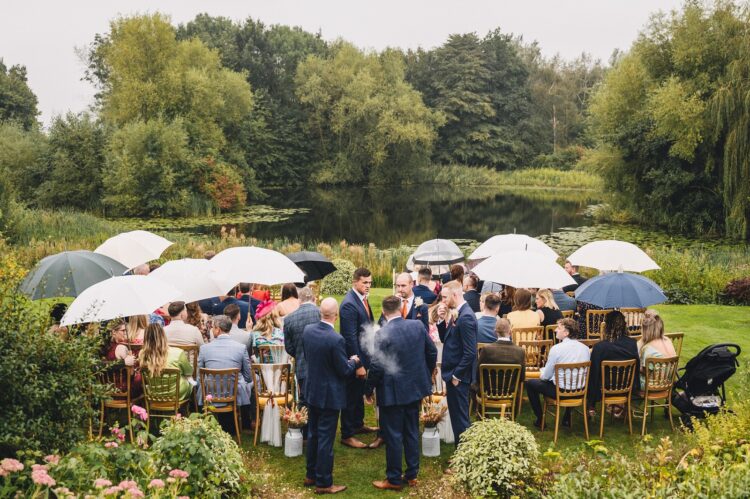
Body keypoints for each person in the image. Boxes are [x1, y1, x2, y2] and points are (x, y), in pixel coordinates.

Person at [365, 296, 437, 491]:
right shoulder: (417, 326)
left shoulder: (382, 334)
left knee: (394, 435)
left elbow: (377, 366)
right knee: (412, 431)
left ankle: (394, 479)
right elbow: (432, 352)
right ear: (400, 309)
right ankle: (412, 475)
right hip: (414, 388)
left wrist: (368, 389)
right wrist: (426, 372)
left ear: (384, 312)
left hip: (393, 392)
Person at [302, 298, 362, 494]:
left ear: (321, 312)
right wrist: (353, 361)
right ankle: (324, 483)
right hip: (329, 395)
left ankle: (310, 474)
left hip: (312, 391)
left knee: (313, 434)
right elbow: (344, 370)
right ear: (335, 316)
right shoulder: (336, 339)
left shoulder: (308, 331)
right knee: (326, 439)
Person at [526, 318, 590, 428]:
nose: (555, 330)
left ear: (566, 333)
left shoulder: (556, 349)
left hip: (560, 391)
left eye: (559, 328)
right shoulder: (585, 349)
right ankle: (566, 417)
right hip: (580, 390)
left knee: (530, 384)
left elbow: (545, 377)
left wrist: (542, 372)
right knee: (570, 379)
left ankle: (540, 419)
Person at [437, 280, 477, 445]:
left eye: (445, 297)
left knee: (460, 420)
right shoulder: (458, 312)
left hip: (459, 377)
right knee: (457, 417)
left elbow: (470, 352)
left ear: (455, 295)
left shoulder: (466, 317)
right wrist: (441, 320)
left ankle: (463, 461)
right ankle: (461, 457)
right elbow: (446, 339)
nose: (443, 301)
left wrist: (456, 376)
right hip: (454, 374)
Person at [339, 268, 375, 449]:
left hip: (365, 355)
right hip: (354, 359)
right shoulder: (349, 304)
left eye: (370, 282)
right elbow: (349, 337)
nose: (368, 286)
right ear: (355, 282)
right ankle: (347, 433)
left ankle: (358, 424)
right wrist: (358, 364)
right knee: (350, 395)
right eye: (364, 283)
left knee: (359, 391)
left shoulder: (362, 299)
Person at [198, 314, 253, 431]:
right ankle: (246, 421)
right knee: (248, 383)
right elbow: (248, 377)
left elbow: (200, 377)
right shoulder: (241, 348)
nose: (212, 330)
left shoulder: (204, 348)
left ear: (218, 329)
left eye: (212, 327)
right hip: (232, 395)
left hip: (210, 394)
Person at [283, 287, 320, 435]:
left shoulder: (289, 319)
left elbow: (289, 347)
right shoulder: (321, 313)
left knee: (304, 398)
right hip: (321, 364)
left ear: (299, 300)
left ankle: (303, 431)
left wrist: (299, 354)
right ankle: (318, 429)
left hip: (302, 364)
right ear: (314, 299)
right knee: (319, 398)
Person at [588, 311, 639, 417]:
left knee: (591, 372)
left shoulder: (600, 347)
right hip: (627, 385)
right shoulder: (632, 343)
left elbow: (594, 373)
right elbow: (637, 366)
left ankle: (591, 406)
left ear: (607, 326)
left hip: (607, 386)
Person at [139, 323, 193, 401]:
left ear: (146, 338)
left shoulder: (142, 354)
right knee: (190, 380)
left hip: (154, 394)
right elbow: (189, 372)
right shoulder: (178, 353)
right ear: (163, 336)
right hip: (176, 394)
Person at [473, 318, 525, 391]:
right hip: (510, 393)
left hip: (488, 392)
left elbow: (478, 375)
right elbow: (522, 378)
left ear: (495, 332)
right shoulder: (520, 351)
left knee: (472, 387)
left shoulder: (486, 350)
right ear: (510, 332)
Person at [637, 313, 676, 388]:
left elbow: (645, 372)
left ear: (646, 330)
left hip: (652, 385)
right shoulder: (668, 340)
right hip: (668, 382)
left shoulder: (648, 348)